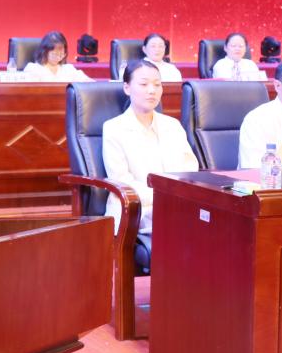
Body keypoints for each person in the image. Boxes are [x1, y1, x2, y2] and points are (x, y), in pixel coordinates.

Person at [102, 60, 199, 235]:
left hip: (176, 205)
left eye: (157, 84)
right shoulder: (113, 128)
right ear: (127, 88)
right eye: (143, 84)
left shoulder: (173, 125)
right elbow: (121, 180)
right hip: (136, 209)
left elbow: (189, 169)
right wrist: (163, 196)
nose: (152, 90)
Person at [21, 31, 93, 82]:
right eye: (54, 53)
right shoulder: (33, 69)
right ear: (45, 52)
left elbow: (89, 84)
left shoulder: (69, 69)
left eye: (61, 54)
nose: (58, 56)